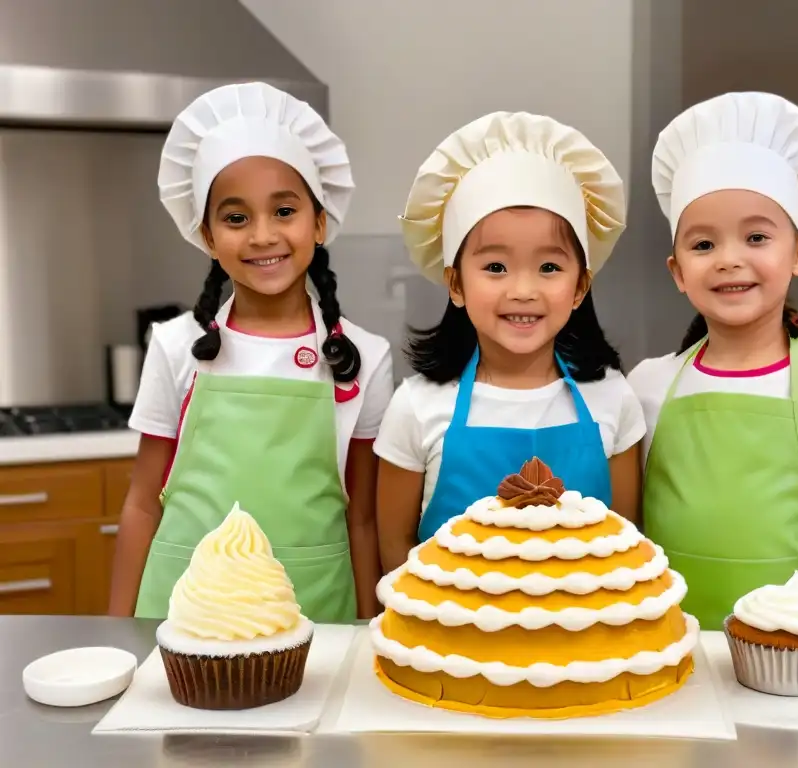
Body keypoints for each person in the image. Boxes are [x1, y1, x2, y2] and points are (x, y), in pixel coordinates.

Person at [108, 82, 393, 622]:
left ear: (319, 220)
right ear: (209, 237)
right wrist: (118, 631)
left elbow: (362, 521)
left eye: (284, 210)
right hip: (180, 612)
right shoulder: (175, 346)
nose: (263, 236)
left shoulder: (364, 357)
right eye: (236, 218)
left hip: (313, 609)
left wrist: (363, 632)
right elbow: (143, 502)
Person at [629, 92, 798, 627]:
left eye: (756, 236)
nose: (730, 258)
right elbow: (631, 532)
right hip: (668, 651)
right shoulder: (647, 384)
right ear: (678, 272)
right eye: (703, 245)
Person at [374, 111, 646, 572]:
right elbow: (395, 548)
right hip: (448, 641)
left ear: (580, 287)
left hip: (587, 640)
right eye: (496, 267)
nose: (523, 290)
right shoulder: (416, 407)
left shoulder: (613, 397)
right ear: (455, 285)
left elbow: (625, 545)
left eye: (550, 267)